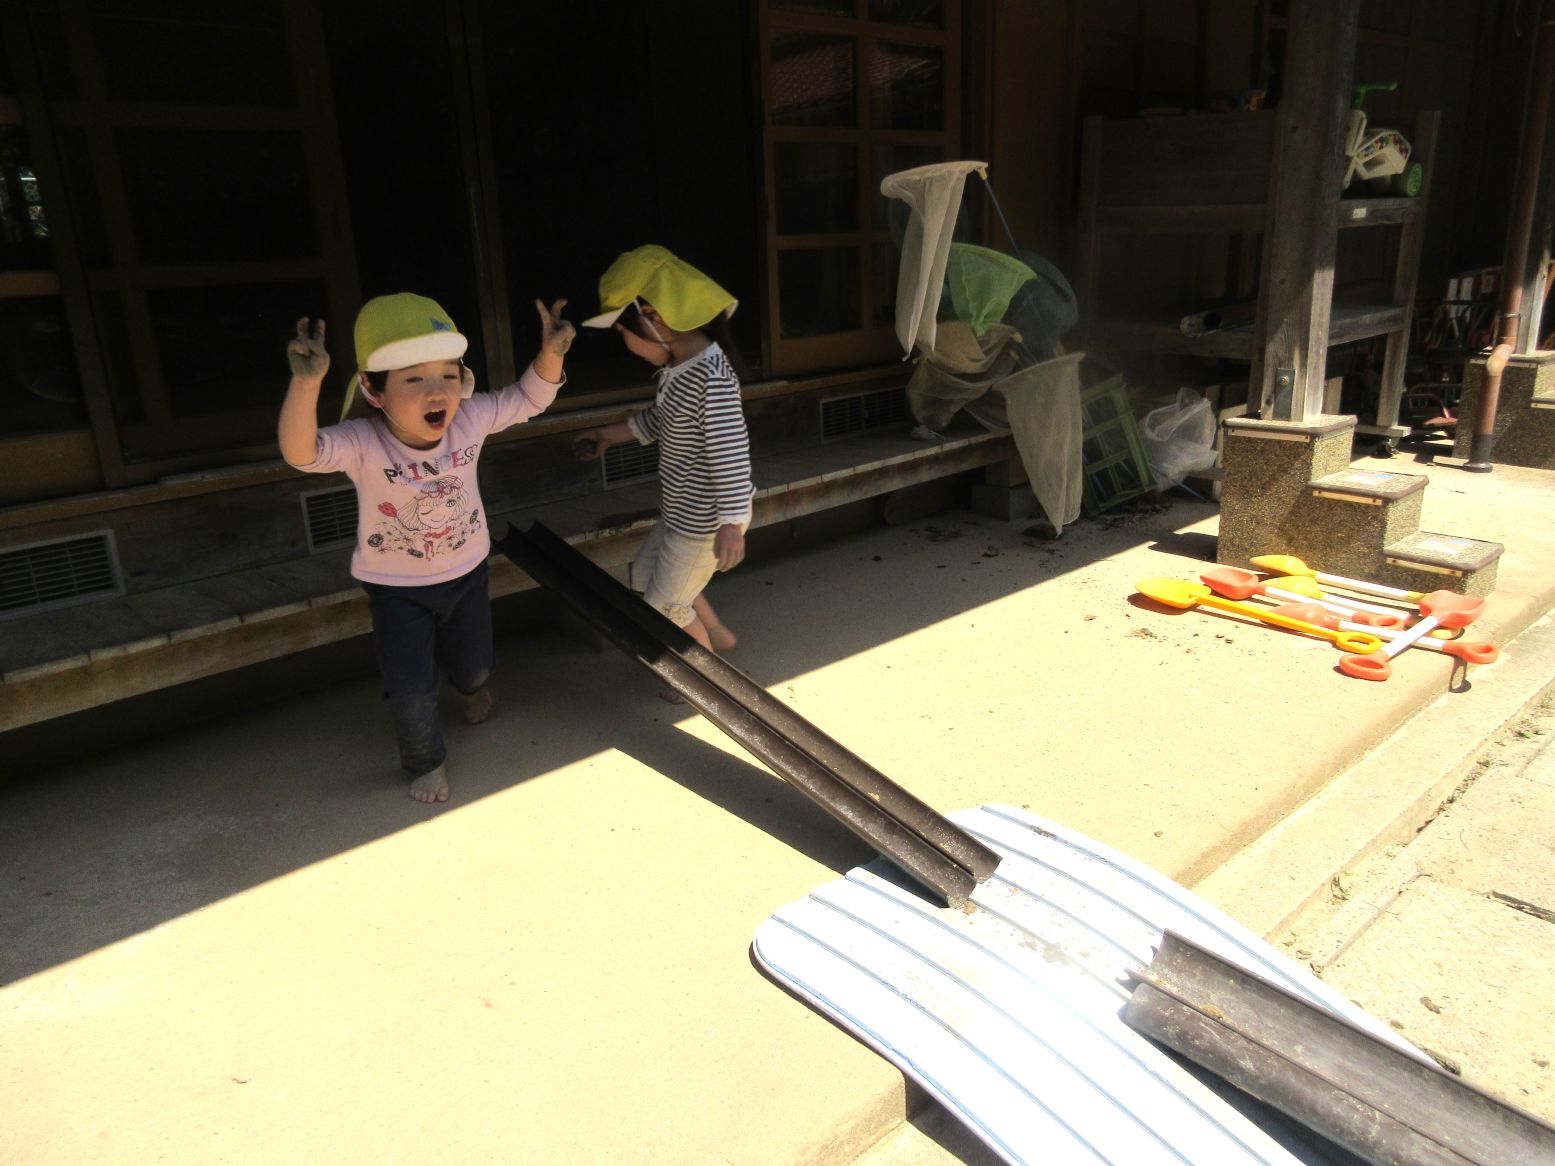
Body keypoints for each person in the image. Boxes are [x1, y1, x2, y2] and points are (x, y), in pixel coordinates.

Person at [279, 292, 574, 803]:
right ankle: (426, 762)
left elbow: (531, 399)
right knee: (410, 688)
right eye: (414, 380)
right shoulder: (363, 440)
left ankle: (471, 686)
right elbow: (303, 453)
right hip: (396, 589)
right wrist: (306, 385)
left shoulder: (470, 419)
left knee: (475, 666)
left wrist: (551, 354)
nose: (437, 392)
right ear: (373, 391)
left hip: (467, 573)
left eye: (448, 375)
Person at [572, 245, 753, 672]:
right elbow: (660, 420)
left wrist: (731, 524)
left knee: (665, 605)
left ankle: (706, 677)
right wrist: (608, 435)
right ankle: (715, 631)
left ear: (654, 318)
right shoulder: (682, 369)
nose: (627, 345)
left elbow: (729, 452)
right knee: (645, 575)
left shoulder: (709, 378)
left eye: (624, 333)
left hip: (706, 521)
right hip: (682, 512)